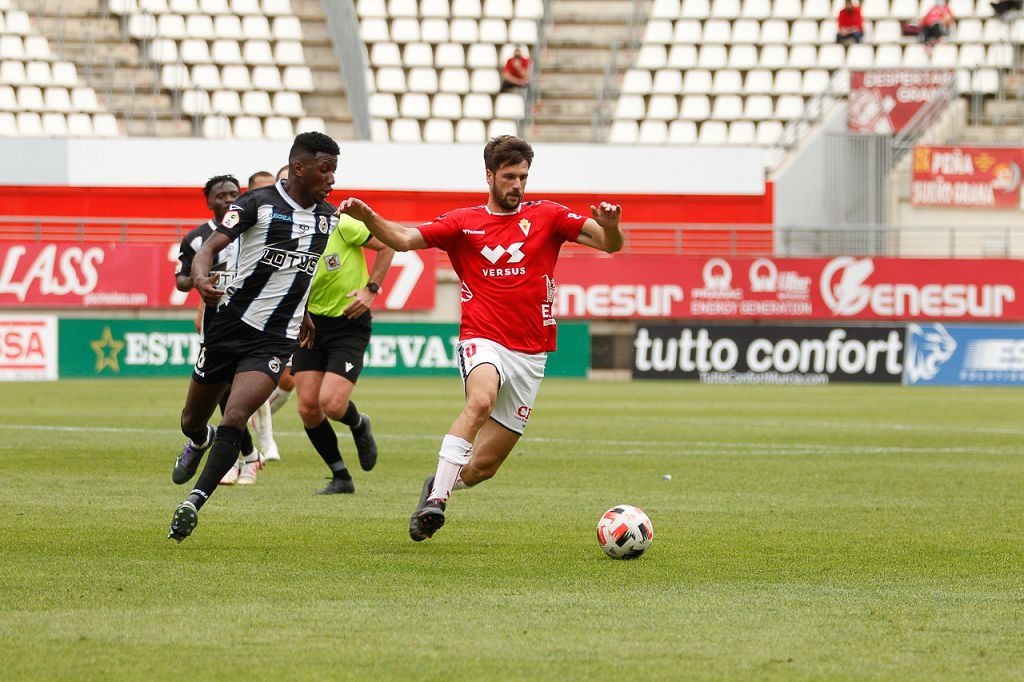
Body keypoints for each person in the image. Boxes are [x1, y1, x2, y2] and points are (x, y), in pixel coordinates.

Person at [337, 135, 623, 542]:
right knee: (481, 400)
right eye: (509, 176)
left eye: (523, 176)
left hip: (532, 352)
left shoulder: (550, 216)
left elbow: (610, 245)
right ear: (489, 175)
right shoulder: (461, 223)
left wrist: (611, 228)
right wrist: (369, 217)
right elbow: (401, 240)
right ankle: (437, 501)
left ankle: (439, 482)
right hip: (482, 337)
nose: (517, 185)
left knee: (483, 468)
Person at [168, 131, 342, 543]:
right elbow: (209, 249)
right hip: (228, 327)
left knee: (235, 415)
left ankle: (193, 502)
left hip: (275, 340)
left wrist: (304, 313)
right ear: (299, 168)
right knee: (192, 420)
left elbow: (304, 269)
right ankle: (199, 440)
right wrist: (199, 280)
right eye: (325, 169)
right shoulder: (255, 204)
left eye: (335, 170)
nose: (332, 178)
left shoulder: (330, 216)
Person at [292, 206, 394, 494]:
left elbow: (387, 245)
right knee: (308, 408)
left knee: (333, 405)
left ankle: (359, 424)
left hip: (349, 323)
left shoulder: (342, 224)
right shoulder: (285, 233)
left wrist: (370, 289)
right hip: (308, 323)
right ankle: (341, 476)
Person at [172, 175, 265, 487]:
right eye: (221, 196)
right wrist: (204, 276)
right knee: (223, 397)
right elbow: (181, 281)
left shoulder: (254, 229)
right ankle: (239, 453)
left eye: (233, 194)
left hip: (254, 325)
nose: (228, 200)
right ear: (209, 201)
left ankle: (244, 459)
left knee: (233, 397)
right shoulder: (198, 239)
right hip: (217, 327)